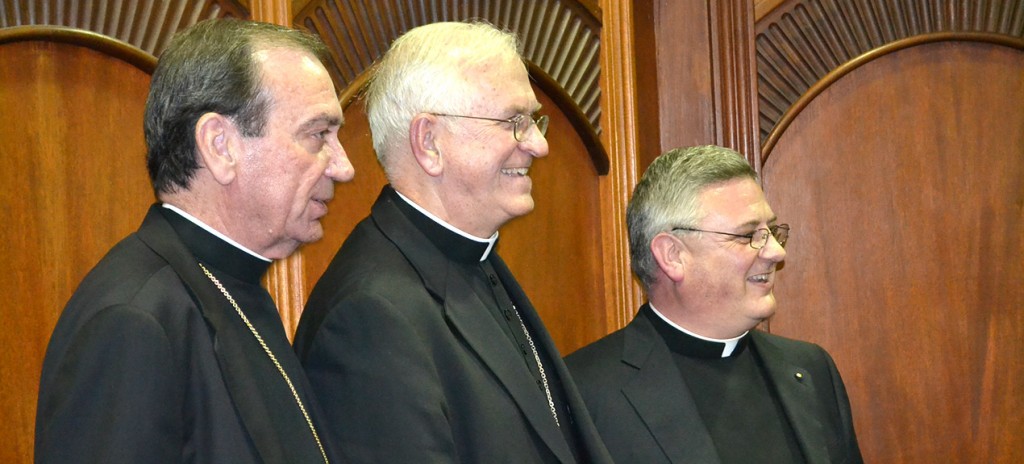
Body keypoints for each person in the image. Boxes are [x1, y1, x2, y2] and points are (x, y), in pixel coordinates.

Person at [34, 18, 354, 463]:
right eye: (318, 134)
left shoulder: (232, 288)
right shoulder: (134, 320)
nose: (343, 166)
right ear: (220, 146)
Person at [293, 21, 612, 464]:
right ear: (429, 142)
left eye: (533, 121)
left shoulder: (474, 258)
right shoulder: (369, 316)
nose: (538, 144)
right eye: (514, 122)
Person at [565, 145, 863, 463]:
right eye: (748, 235)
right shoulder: (582, 394)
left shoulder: (810, 369)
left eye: (772, 231)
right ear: (673, 256)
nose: (776, 252)